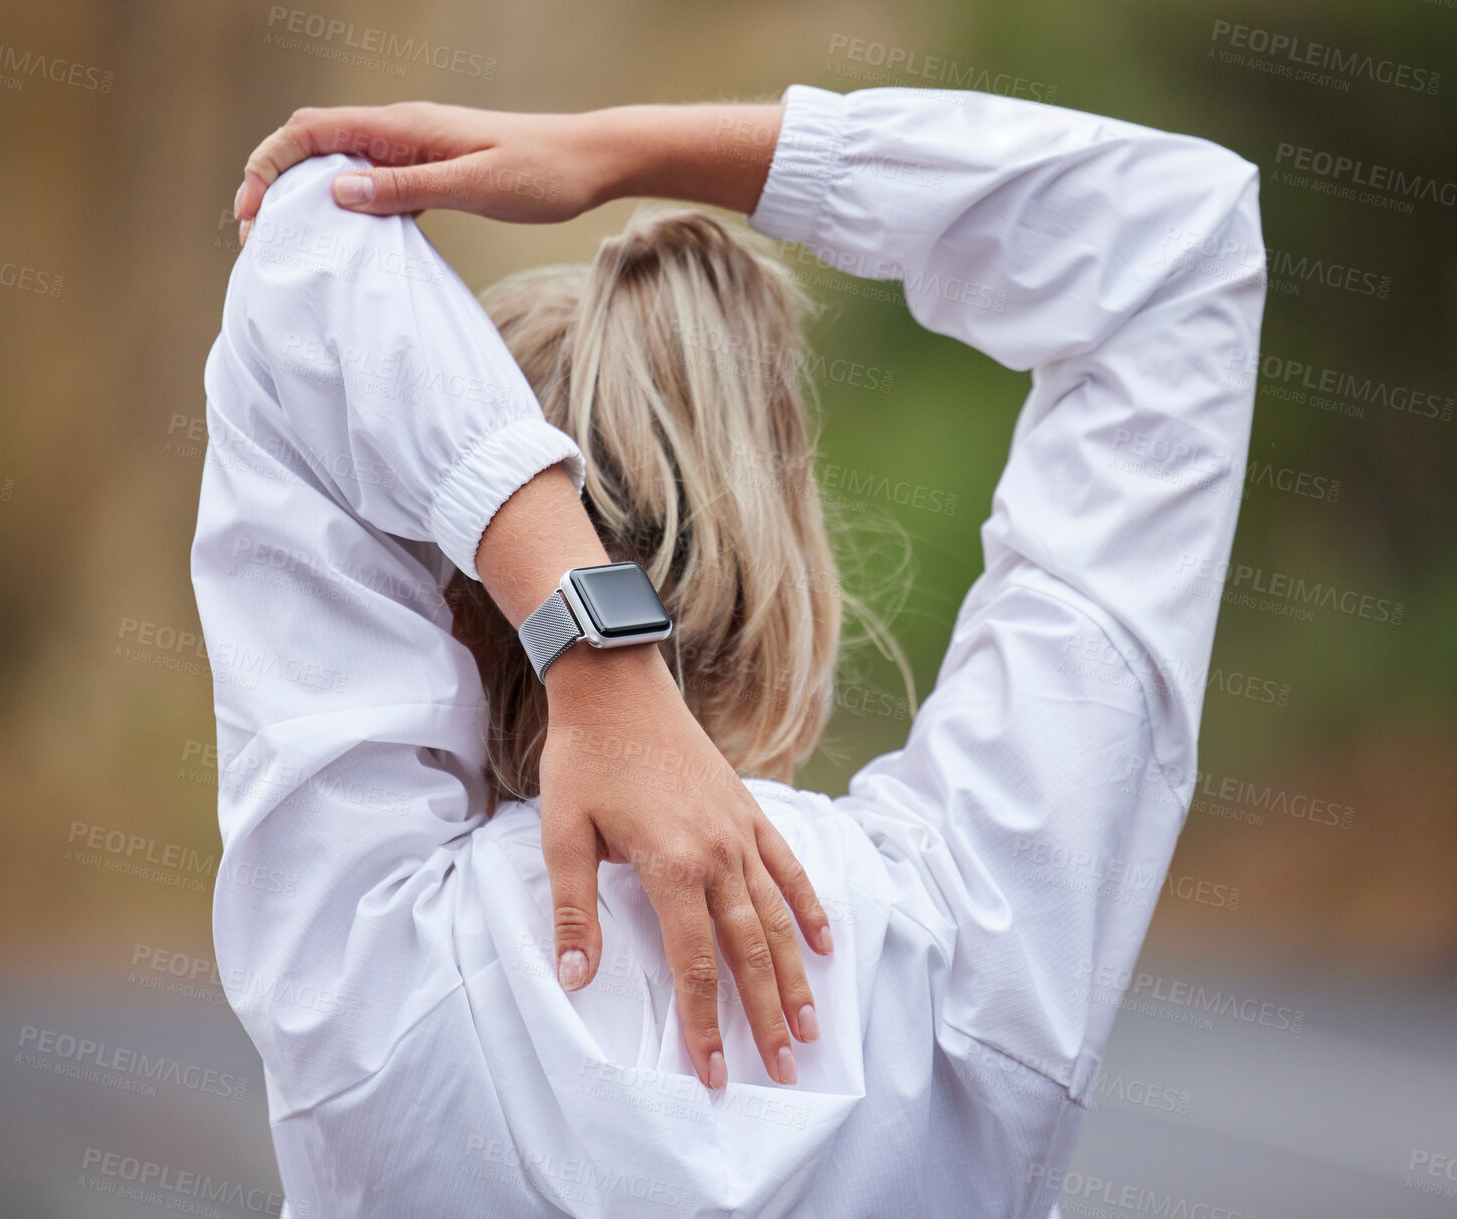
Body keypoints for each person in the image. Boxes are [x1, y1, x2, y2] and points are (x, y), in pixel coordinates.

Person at [192, 83, 1264, 1218]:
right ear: (781, 586)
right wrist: (610, 147)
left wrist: (590, 651)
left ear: (436, 592)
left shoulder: (359, 965)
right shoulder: (969, 941)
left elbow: (309, 238)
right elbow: (1170, 235)